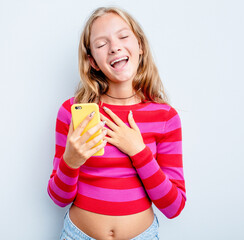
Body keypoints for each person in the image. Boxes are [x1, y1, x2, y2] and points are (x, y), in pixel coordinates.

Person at [47, 6, 186, 240]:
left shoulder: (165, 117)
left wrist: (138, 151)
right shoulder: (72, 112)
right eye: (101, 44)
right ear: (92, 61)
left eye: (123, 36)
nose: (115, 47)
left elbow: (174, 207)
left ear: (140, 46)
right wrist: (71, 160)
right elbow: (59, 198)